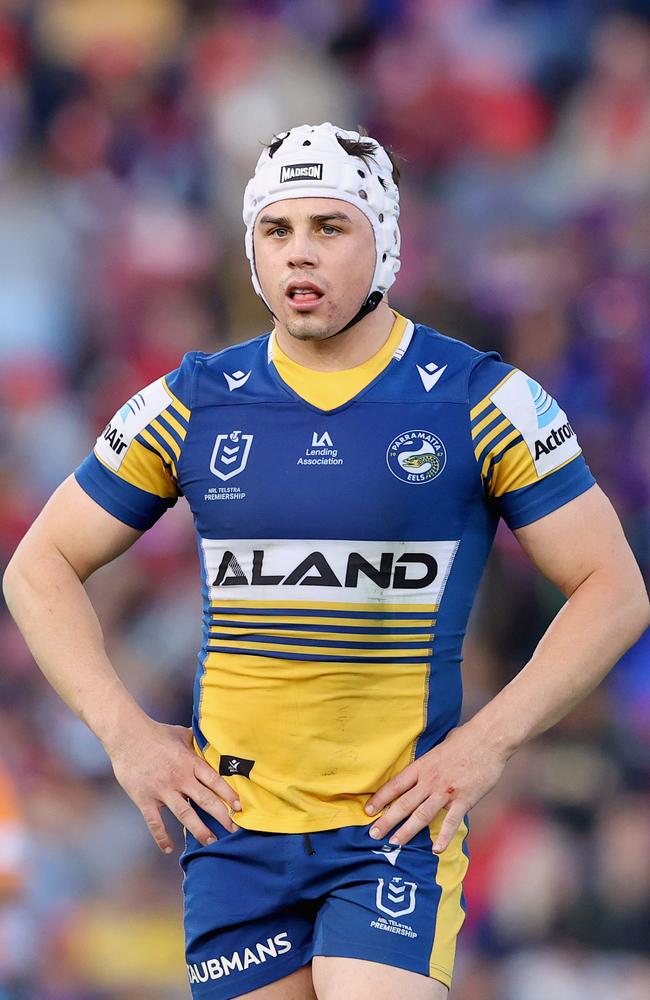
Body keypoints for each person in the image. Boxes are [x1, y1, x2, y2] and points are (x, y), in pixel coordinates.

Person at [3, 122, 648, 1000]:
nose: (299, 254)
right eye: (278, 230)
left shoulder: (484, 399)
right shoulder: (193, 401)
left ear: (384, 239)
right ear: (252, 249)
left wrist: (487, 744)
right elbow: (35, 568)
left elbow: (613, 590)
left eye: (329, 227)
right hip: (234, 839)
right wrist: (125, 735)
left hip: (390, 833)